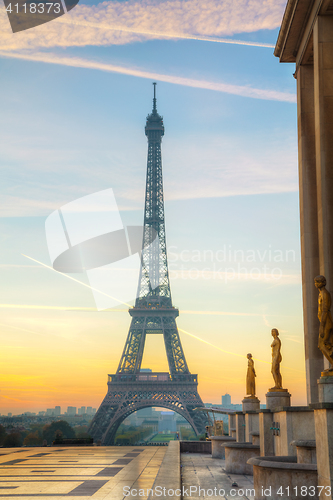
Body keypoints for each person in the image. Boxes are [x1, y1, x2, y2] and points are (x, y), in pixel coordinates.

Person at [314, 275, 333, 369]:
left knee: (322, 345)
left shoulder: (325, 293)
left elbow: (325, 310)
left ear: (323, 283)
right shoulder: (321, 293)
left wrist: (322, 326)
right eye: (315, 282)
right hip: (324, 321)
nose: (315, 284)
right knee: (326, 344)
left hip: (326, 322)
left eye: (317, 282)